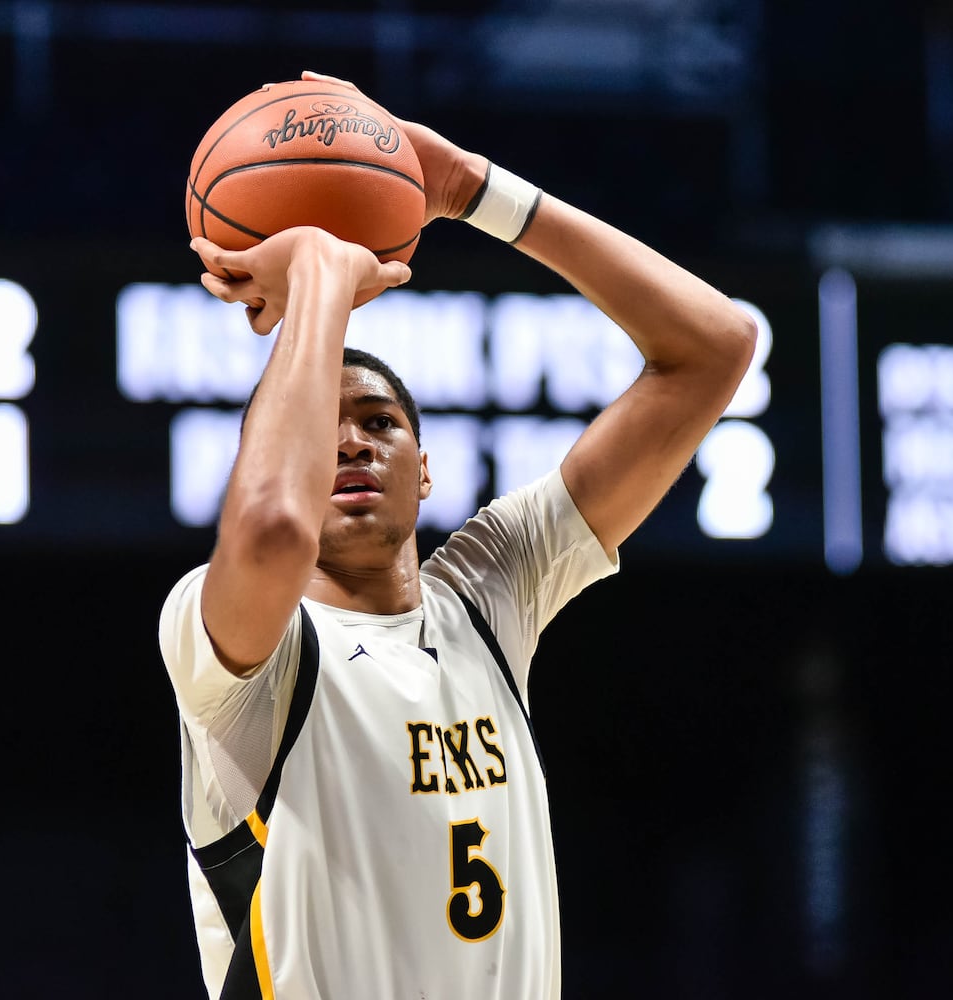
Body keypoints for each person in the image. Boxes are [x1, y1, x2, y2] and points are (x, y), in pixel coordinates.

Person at [158, 70, 756, 1000]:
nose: (349, 440)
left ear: (427, 472)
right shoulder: (232, 649)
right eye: (322, 427)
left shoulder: (488, 595)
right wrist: (321, 268)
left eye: (382, 423)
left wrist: (474, 190)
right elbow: (273, 528)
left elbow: (714, 347)